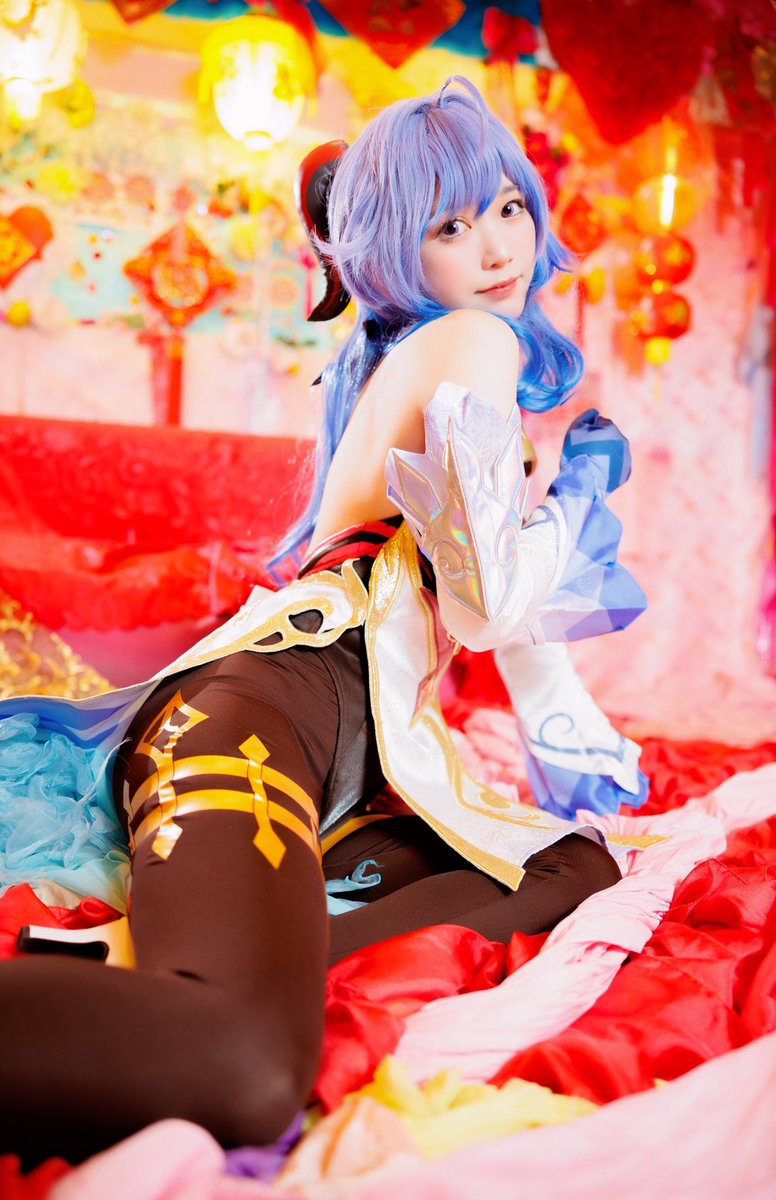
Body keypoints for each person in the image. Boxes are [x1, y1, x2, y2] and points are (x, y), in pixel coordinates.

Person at [0, 78, 647, 1166]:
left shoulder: (430, 354)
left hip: (337, 749)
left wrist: (577, 736)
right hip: (259, 719)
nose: (496, 245)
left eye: (505, 207)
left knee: (573, 866)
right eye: (449, 226)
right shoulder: (471, 342)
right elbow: (488, 605)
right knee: (244, 1068)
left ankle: (162, 956)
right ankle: (208, 974)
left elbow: (495, 626)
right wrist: (571, 496)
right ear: (396, 251)